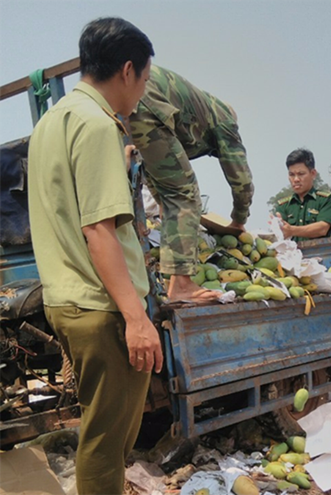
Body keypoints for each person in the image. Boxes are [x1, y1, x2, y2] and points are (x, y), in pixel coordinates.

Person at [27, 18, 163, 495]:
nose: (142, 92)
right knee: (108, 446)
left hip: (65, 297)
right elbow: (98, 231)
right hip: (100, 304)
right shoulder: (98, 125)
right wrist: (136, 318)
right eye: (145, 80)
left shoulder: (52, 122)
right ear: (127, 70)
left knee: (100, 434)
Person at [129, 66, 254, 302]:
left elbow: (154, 164)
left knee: (175, 197)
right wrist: (239, 220)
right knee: (186, 195)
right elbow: (241, 179)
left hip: (127, 95)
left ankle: (171, 280)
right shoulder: (224, 120)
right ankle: (182, 285)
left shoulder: (195, 106)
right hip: (144, 97)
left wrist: (164, 205)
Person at [275, 148, 331, 242]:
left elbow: (322, 228)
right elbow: (281, 234)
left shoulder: (327, 200)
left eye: (301, 174)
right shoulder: (283, 205)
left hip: (320, 254)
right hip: (291, 255)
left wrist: (292, 231)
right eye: (292, 175)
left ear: (313, 174)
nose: (296, 179)